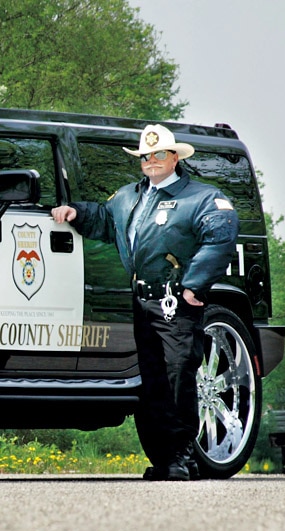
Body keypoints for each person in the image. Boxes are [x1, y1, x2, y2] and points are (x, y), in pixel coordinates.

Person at [51, 124, 239, 480]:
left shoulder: (201, 197)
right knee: (151, 382)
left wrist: (194, 287)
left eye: (159, 155)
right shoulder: (127, 197)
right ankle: (163, 459)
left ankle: (182, 457)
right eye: (146, 156)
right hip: (142, 303)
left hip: (177, 303)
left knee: (178, 377)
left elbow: (220, 240)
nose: (151, 161)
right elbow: (106, 221)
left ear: (174, 158)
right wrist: (75, 213)